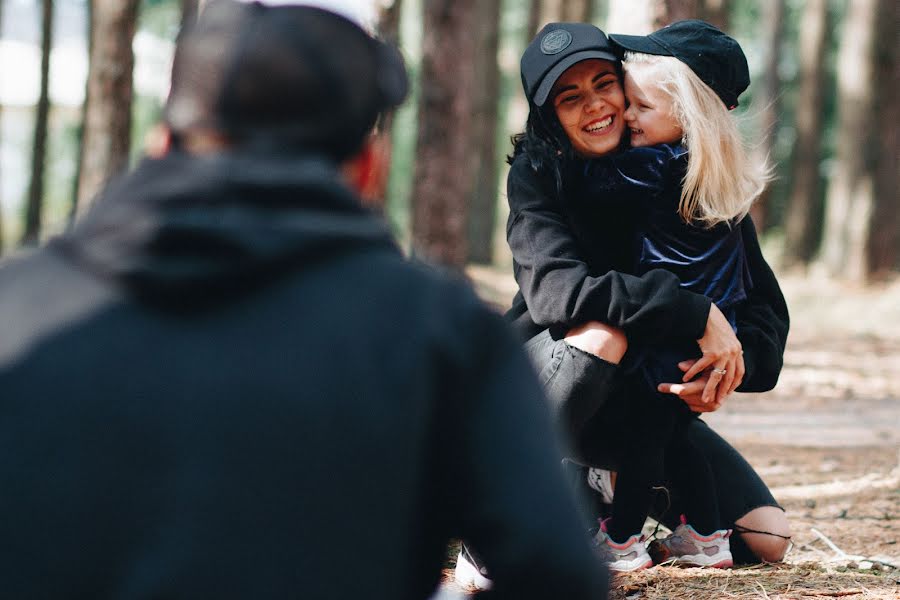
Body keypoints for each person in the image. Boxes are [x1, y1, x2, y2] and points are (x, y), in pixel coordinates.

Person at [0, 3, 607, 599]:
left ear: (161, 145)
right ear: (368, 169)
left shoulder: (16, 307)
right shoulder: (438, 334)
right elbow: (557, 574)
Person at [456, 20, 790, 588]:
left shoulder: (687, 171)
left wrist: (725, 365)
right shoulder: (541, 176)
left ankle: (607, 496)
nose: (596, 107)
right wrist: (693, 312)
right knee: (601, 333)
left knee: (768, 538)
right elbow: (559, 295)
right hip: (551, 386)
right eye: (569, 97)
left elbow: (765, 317)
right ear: (549, 115)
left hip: (643, 407)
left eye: (604, 84)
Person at [581, 21, 772, 571]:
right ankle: (707, 536)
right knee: (675, 434)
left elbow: (591, 183)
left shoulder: (653, 165)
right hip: (697, 331)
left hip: (666, 333)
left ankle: (620, 539)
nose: (628, 117)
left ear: (685, 117)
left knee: (648, 435)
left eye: (640, 106)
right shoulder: (714, 179)